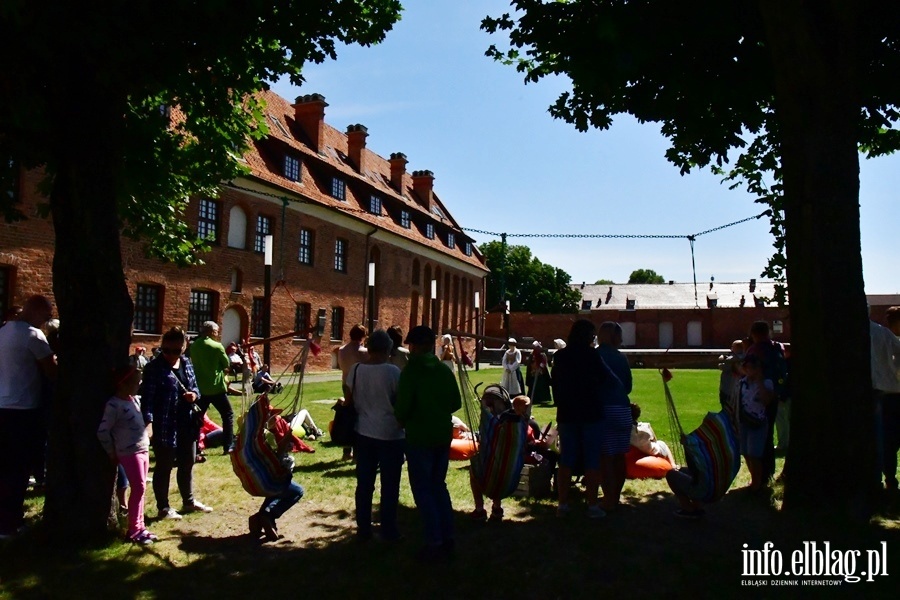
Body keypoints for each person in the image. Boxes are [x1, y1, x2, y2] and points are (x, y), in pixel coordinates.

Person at [395, 325, 461, 561]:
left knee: (423, 490)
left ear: (415, 346)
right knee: (439, 486)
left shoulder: (411, 372)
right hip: (442, 436)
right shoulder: (443, 371)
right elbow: (455, 403)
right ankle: (448, 535)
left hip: (419, 437)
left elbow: (402, 407)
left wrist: (406, 417)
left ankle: (434, 541)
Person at [141, 326, 213, 520]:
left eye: (176, 351)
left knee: (187, 461)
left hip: (187, 421)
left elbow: (195, 387)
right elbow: (147, 400)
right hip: (165, 424)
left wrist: (194, 395)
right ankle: (163, 507)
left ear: (184, 347)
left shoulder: (187, 363)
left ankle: (188, 501)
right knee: (164, 466)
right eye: (166, 350)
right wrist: (149, 424)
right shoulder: (154, 368)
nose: (171, 355)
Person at [0, 295, 56, 538]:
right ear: (37, 313)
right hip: (23, 410)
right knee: (19, 469)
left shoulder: (3, 331)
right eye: (45, 317)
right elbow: (51, 371)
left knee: (4, 467)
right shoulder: (33, 335)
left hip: (2, 405)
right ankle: (10, 523)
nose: (45, 322)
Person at [551, 319, 617, 518]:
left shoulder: (561, 356)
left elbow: (555, 383)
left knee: (566, 459)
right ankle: (592, 505)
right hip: (591, 412)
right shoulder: (592, 355)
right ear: (588, 336)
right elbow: (609, 379)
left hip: (567, 413)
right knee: (592, 460)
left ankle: (563, 505)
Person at [344, 330, 404, 542]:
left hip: (364, 431)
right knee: (390, 484)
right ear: (388, 349)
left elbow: (348, 398)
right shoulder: (394, 372)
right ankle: (389, 528)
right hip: (391, 433)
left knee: (365, 483)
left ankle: (363, 528)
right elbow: (400, 403)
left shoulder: (356, 370)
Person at [97, 366, 156, 544]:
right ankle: (134, 529)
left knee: (141, 489)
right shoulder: (114, 405)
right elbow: (102, 431)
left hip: (143, 448)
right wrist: (111, 452)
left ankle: (140, 527)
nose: (139, 385)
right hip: (129, 452)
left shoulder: (134, 401)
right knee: (138, 488)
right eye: (136, 382)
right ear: (124, 385)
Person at [596, 322, 634, 512]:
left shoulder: (595, 355)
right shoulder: (621, 358)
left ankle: (608, 499)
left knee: (605, 457)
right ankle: (616, 496)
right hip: (623, 409)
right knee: (620, 456)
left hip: (603, 410)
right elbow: (627, 387)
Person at [745, 321, 788, 480]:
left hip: (758, 397)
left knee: (759, 435)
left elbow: (747, 371)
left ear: (754, 334)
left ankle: (761, 474)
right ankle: (769, 470)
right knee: (769, 433)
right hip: (775, 394)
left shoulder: (754, 350)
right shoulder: (778, 347)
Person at [190, 321, 235, 454]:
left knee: (197, 419)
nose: (217, 334)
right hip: (216, 388)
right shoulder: (217, 346)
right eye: (216, 331)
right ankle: (228, 445)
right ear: (211, 332)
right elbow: (226, 363)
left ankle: (196, 446)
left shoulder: (194, 346)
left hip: (200, 388)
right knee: (228, 415)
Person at [871, 312, 900, 490]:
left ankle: (889, 480)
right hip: (891, 393)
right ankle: (889, 479)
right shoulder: (885, 335)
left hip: (884, 392)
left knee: (887, 441)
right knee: (889, 440)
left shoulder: (878, 333)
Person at [738, 354, 774, 492]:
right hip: (744, 421)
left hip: (757, 422)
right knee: (746, 452)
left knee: (755, 453)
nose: (750, 370)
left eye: (754, 367)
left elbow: (766, 400)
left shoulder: (766, 383)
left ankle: (758, 483)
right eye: (748, 367)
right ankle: (754, 479)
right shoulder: (742, 382)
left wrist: (759, 381)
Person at [338, 324, 368, 461]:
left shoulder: (341, 350)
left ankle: (346, 451)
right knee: (358, 419)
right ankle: (357, 453)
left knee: (348, 417)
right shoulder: (364, 352)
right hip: (360, 386)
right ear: (362, 336)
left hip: (345, 385)